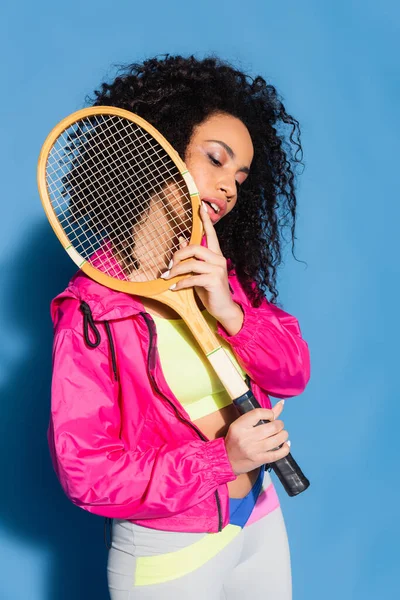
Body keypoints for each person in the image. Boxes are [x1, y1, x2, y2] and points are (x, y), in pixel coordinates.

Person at [48, 55, 311, 599]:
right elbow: (87, 473)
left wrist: (231, 312)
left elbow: (292, 375)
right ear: (159, 154)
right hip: (170, 548)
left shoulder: (223, 277)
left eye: (240, 176)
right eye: (215, 161)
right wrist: (224, 458)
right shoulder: (92, 313)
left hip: (258, 517)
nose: (230, 187)